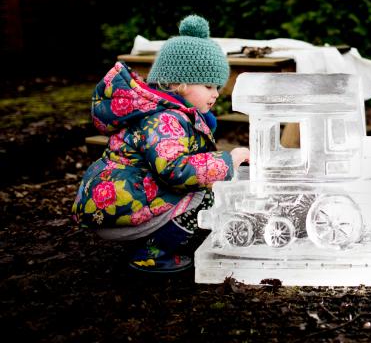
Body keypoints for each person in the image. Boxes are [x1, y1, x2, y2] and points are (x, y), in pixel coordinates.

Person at [71, 14, 249, 273]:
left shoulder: (166, 112)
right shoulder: (165, 119)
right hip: (115, 209)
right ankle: (152, 254)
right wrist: (228, 161)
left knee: (202, 184)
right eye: (209, 85)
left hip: (118, 203)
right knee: (204, 192)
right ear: (180, 83)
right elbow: (175, 170)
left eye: (218, 86)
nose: (216, 93)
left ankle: (152, 240)